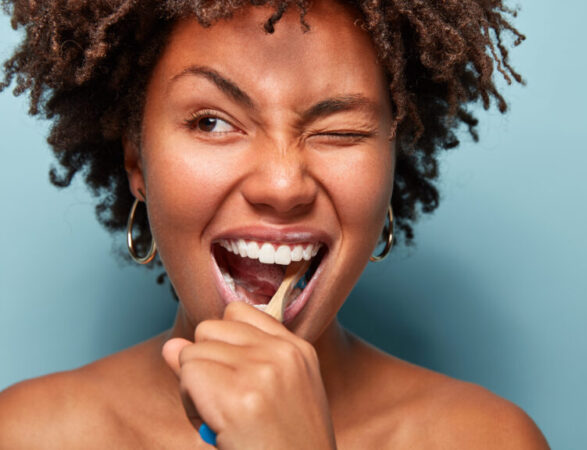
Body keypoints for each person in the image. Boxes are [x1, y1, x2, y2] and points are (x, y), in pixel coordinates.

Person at [0, 0, 548, 447]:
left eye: (341, 131)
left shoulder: (488, 438)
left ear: (390, 168)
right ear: (136, 162)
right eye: (212, 122)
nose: (284, 187)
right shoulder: (24, 434)